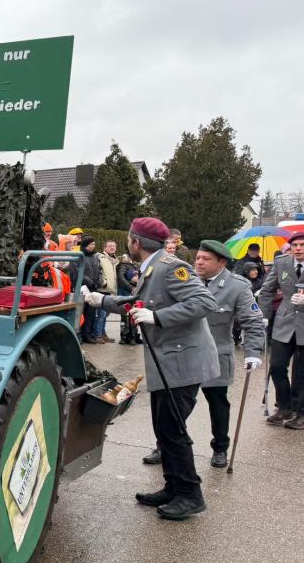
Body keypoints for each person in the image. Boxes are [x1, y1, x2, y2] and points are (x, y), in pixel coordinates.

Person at [85, 217, 218, 520]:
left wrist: (158, 317)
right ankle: (173, 487)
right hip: (168, 362)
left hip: (184, 361)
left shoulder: (170, 266)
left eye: (129, 239)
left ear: (137, 242)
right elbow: (137, 302)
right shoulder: (153, 267)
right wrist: (100, 300)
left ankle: (190, 494)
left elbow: (204, 301)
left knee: (173, 429)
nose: (127, 244)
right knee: (164, 428)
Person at [191, 241, 265, 466]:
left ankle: (220, 447)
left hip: (216, 354)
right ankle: (166, 445)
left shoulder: (237, 286)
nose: (199, 262)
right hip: (185, 354)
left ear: (221, 262)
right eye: (198, 258)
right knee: (176, 404)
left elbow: (252, 322)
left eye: (206, 259)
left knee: (218, 404)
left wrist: (253, 352)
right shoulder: (186, 279)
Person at [258, 232, 304, 428]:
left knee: (301, 373)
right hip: (284, 321)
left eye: (302, 245)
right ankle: (284, 407)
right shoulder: (281, 263)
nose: (298, 248)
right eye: (295, 245)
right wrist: (264, 315)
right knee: (277, 366)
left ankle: (300, 412)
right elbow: (267, 290)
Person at [78, 236, 105, 344]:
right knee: (81, 313)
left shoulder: (95, 257)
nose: (93, 246)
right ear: (85, 245)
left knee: (91, 313)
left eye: (94, 244)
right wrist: (90, 282)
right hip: (82, 289)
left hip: (93, 288)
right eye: (91, 244)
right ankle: (79, 335)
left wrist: (99, 281)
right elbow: (77, 271)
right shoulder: (79, 256)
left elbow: (99, 270)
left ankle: (87, 335)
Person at [95, 240, 119, 341]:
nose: (112, 248)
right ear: (104, 248)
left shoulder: (115, 260)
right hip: (102, 289)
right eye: (110, 246)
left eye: (114, 246)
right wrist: (103, 283)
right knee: (101, 314)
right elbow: (97, 271)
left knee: (105, 314)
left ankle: (103, 334)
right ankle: (98, 335)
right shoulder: (100, 258)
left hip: (110, 290)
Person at [116, 253, 142, 344]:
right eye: (123, 257)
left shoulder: (135, 265)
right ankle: (125, 336)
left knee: (133, 314)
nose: (124, 258)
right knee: (125, 314)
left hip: (132, 292)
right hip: (125, 292)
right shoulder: (122, 266)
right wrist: (132, 287)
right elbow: (121, 278)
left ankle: (133, 337)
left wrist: (136, 285)